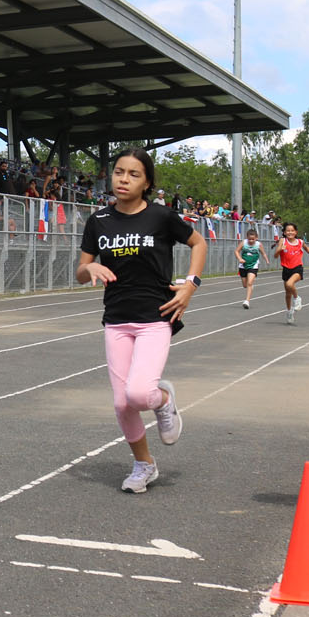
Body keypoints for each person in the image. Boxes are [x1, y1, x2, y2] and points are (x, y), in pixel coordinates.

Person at [77, 147, 207, 494]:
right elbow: (79, 271)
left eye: (134, 174)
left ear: (147, 182)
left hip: (155, 317)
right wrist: (88, 267)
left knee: (139, 393)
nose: (124, 179)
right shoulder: (99, 221)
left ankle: (163, 400)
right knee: (122, 403)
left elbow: (199, 243)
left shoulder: (161, 217)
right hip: (117, 319)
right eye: (119, 172)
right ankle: (144, 465)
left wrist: (190, 286)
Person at [272, 222, 309, 325]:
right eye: (288, 231)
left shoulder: (300, 242)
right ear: (284, 232)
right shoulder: (282, 241)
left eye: (292, 230)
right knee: (287, 293)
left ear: (296, 232)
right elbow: (275, 256)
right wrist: (280, 249)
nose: (290, 232)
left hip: (297, 268)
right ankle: (289, 312)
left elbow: (307, 249)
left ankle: (297, 298)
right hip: (286, 269)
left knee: (290, 284)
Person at [237, 227, 264, 310]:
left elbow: (263, 253)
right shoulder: (243, 243)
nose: (251, 241)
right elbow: (236, 251)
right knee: (245, 285)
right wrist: (240, 259)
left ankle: (247, 301)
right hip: (243, 266)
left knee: (249, 282)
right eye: (249, 239)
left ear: (256, 238)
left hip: (253, 265)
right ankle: (250, 286)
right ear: (247, 237)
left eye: (253, 239)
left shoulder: (258, 244)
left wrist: (266, 259)